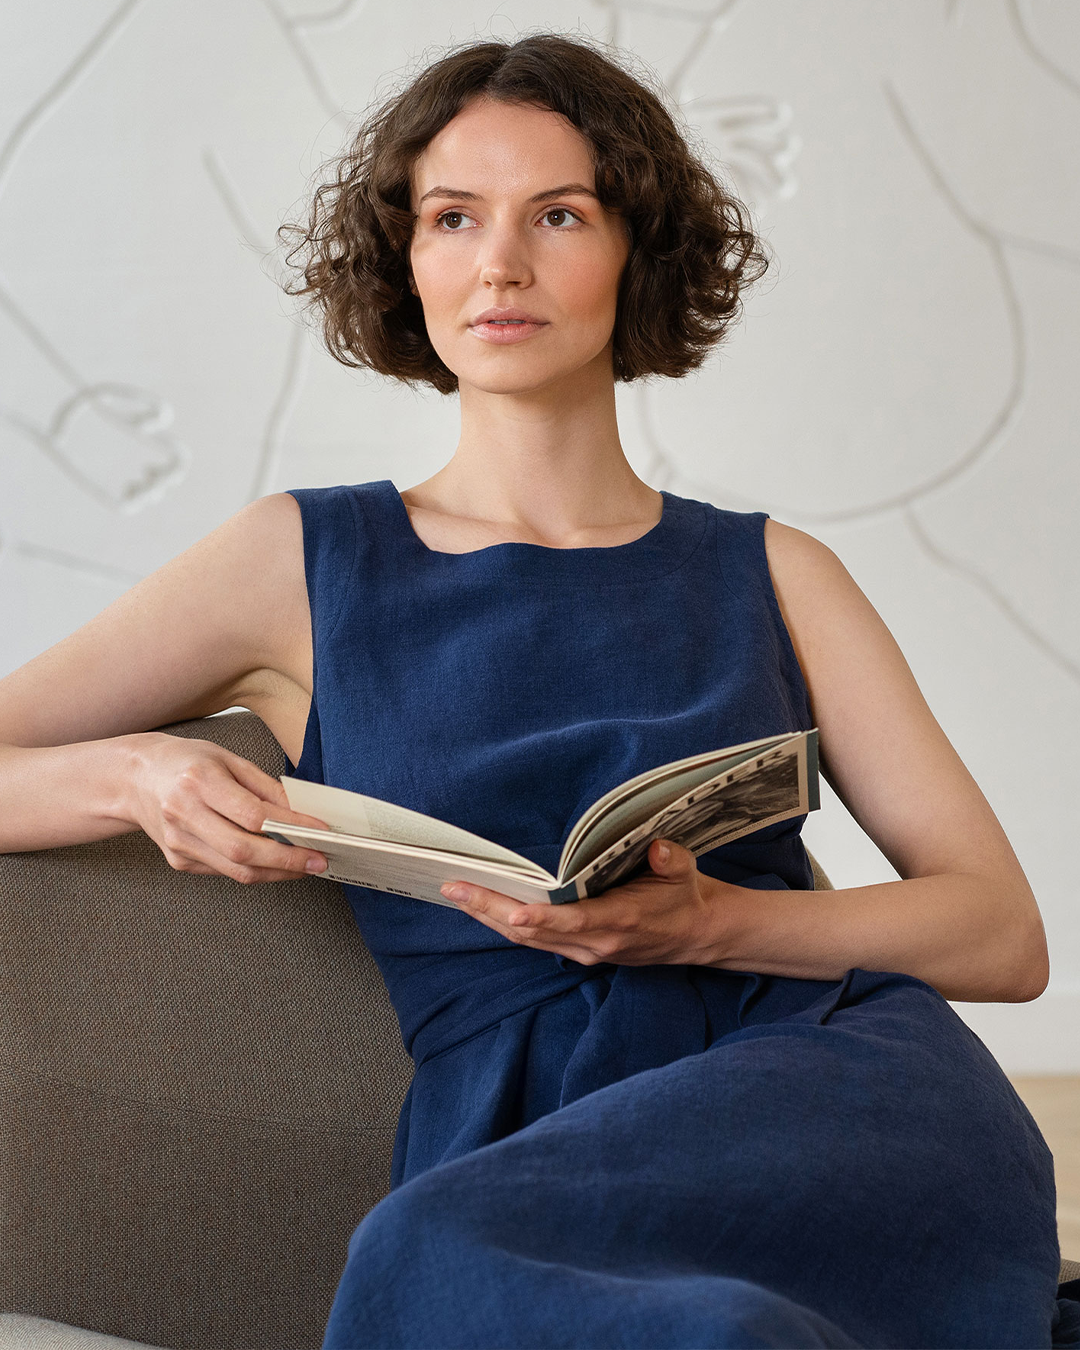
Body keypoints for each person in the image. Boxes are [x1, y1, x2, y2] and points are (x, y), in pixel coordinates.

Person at [0, 31, 1076, 1350]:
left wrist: (714, 923)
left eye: (558, 214)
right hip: (524, 1138)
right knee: (451, 1259)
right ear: (406, 257)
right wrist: (133, 771)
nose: (498, 263)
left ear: (638, 251)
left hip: (844, 1089)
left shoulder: (776, 571)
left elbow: (1001, 935)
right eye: (453, 217)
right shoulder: (302, 558)